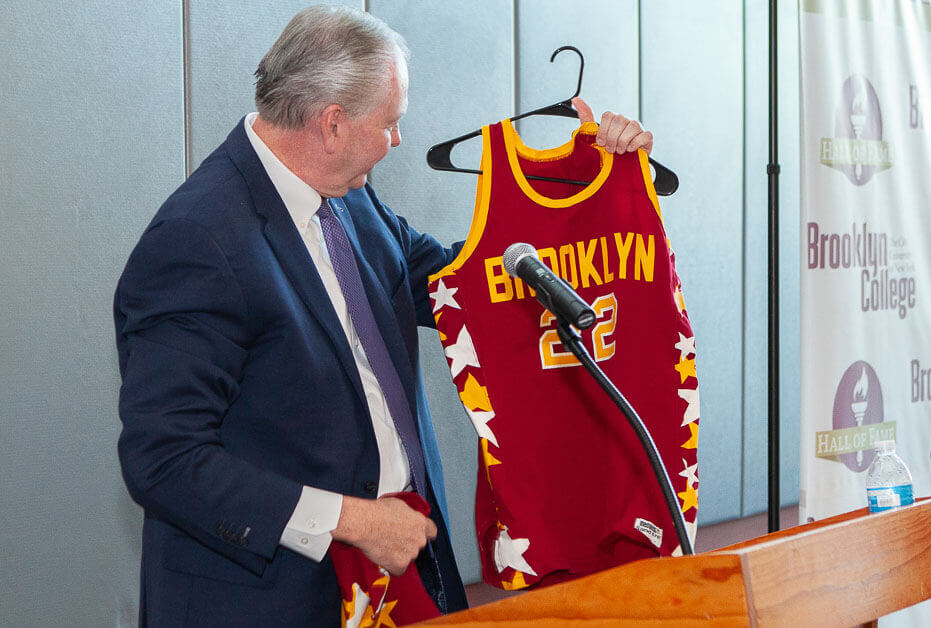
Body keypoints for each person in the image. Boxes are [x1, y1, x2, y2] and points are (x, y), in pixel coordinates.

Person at [113, 5, 653, 625]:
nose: (397, 140)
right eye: (390, 123)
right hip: (271, 598)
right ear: (333, 123)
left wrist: (591, 181)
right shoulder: (196, 242)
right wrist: (352, 519)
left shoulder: (350, 195)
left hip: (402, 568)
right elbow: (164, 460)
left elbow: (465, 284)